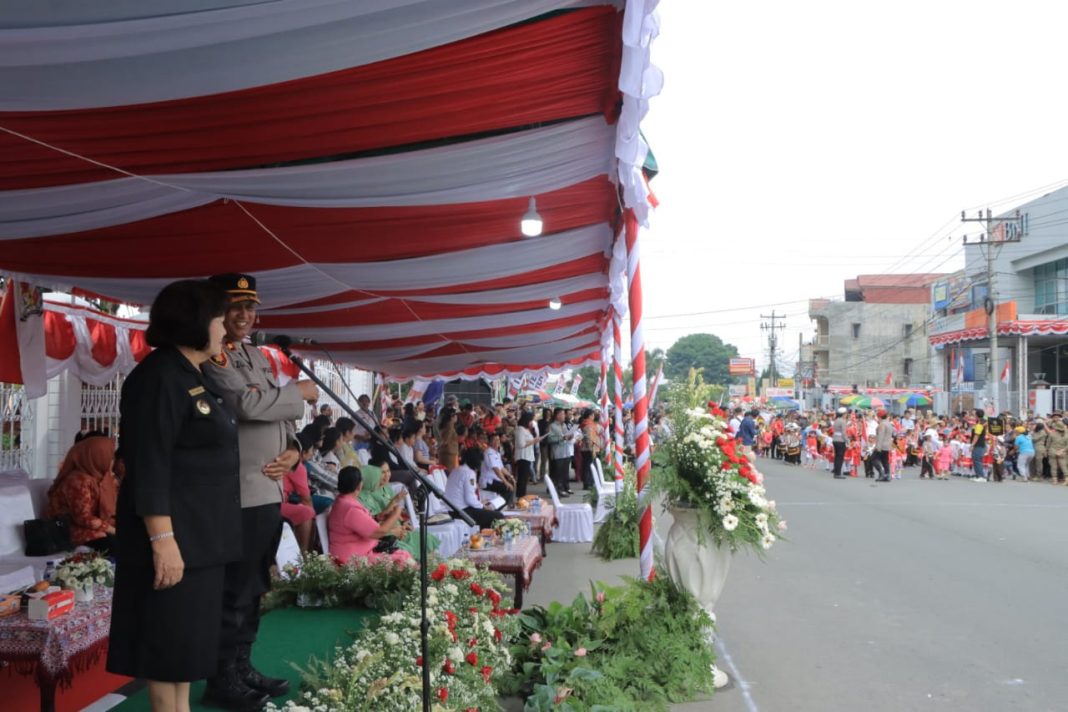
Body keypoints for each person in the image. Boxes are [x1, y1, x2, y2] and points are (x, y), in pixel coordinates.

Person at [107, 280, 243, 712]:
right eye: (220, 319)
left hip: (201, 543)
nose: (225, 328)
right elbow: (150, 464)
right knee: (166, 661)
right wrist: (162, 542)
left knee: (184, 658)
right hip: (174, 543)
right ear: (196, 321)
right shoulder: (160, 377)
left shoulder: (192, 374)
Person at [200, 273, 319, 709]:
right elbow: (247, 405)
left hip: (269, 489)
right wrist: (298, 392)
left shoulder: (257, 355)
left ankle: (243, 664)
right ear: (219, 312)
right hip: (240, 492)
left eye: (250, 308)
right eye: (235, 307)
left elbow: (279, 419)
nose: (245, 316)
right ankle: (222, 676)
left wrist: (295, 449)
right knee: (235, 590)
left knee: (254, 586)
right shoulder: (216, 356)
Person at [46, 436, 119, 551]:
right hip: (67, 528)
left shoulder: (100, 478)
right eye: (110, 457)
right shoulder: (77, 480)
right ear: (96, 457)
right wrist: (111, 529)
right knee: (113, 544)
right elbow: (83, 518)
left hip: (92, 526)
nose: (112, 461)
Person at [328, 467, 413, 565]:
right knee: (404, 560)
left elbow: (361, 524)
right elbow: (380, 532)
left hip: (360, 553)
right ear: (359, 486)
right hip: (353, 560)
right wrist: (397, 512)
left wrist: (378, 517)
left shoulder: (344, 501)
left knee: (404, 555)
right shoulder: (350, 508)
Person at [445, 447, 504, 529]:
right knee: (498, 516)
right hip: (461, 512)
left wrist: (480, 503)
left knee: (488, 513)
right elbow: (469, 499)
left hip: (452, 509)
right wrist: (483, 506)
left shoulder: (457, 470)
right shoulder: (469, 473)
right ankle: (484, 537)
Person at [514, 411, 546, 499]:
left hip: (528, 456)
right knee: (522, 478)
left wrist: (536, 439)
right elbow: (521, 444)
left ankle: (522, 495)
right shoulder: (520, 429)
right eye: (531, 420)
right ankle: (520, 496)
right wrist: (533, 441)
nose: (532, 422)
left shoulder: (527, 429)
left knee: (525, 478)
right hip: (522, 456)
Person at [546, 407, 576, 496]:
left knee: (564, 472)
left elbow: (565, 436)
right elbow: (549, 439)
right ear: (557, 415)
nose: (564, 416)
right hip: (557, 453)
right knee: (557, 473)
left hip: (566, 452)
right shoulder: (552, 426)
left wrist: (569, 437)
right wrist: (562, 438)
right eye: (562, 414)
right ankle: (557, 490)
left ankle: (563, 488)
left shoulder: (563, 425)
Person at [479, 433, 515, 505]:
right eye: (494, 440)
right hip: (488, 481)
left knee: (511, 484)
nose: (496, 442)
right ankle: (502, 507)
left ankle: (508, 505)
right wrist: (505, 482)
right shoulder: (489, 452)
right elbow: (496, 469)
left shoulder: (497, 453)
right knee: (508, 488)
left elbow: (501, 468)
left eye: (498, 440)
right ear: (489, 442)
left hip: (494, 480)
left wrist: (510, 476)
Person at [873, 410, 893, 482]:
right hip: (887, 445)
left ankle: (881, 473)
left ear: (879, 417)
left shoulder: (882, 424)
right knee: (885, 461)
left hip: (881, 445)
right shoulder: (889, 424)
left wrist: (878, 447)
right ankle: (887, 475)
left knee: (874, 459)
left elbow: (880, 436)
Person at [969, 409, 988, 481]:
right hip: (980, 444)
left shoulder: (980, 424)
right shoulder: (982, 422)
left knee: (977, 460)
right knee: (975, 460)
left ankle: (981, 476)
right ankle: (977, 475)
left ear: (976, 415)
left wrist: (972, 445)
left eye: (974, 414)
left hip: (979, 445)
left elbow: (976, 436)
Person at [831, 407, 848, 479]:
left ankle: (836, 471)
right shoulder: (843, 421)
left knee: (837, 456)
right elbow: (844, 433)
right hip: (841, 440)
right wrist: (847, 440)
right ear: (843, 414)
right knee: (840, 457)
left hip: (835, 439)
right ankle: (837, 473)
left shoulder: (836, 420)